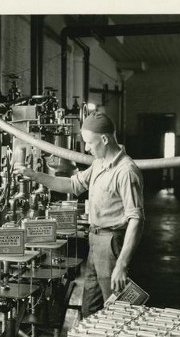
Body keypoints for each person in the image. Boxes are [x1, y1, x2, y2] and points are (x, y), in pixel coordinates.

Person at [14, 111, 145, 317]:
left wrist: (121, 264)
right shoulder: (99, 164)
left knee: (117, 311)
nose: (86, 148)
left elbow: (137, 220)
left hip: (111, 243)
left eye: (89, 143)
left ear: (104, 139)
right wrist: (34, 175)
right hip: (95, 241)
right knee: (90, 309)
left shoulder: (125, 171)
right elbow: (73, 185)